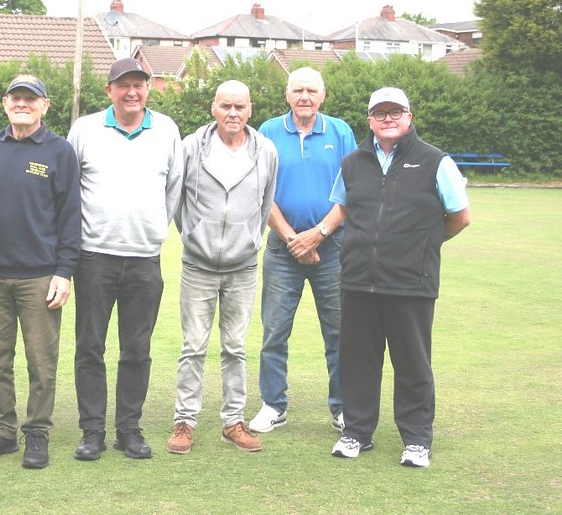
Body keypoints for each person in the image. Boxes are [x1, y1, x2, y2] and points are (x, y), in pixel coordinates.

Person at [330, 87, 470, 468]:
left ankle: (417, 439)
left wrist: (423, 245)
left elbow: (460, 216)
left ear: (409, 117)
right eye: (380, 113)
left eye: (396, 112)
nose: (388, 119)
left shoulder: (435, 161)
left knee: (412, 362)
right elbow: (344, 208)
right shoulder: (352, 163)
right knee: (358, 360)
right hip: (358, 279)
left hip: (411, 282)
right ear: (370, 120)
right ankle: (357, 432)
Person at [0, 75, 81, 469]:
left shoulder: (59, 152)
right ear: (5, 103)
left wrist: (65, 271)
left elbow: (70, 218)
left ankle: (37, 433)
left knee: (41, 361)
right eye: (16, 98)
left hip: (40, 276)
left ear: (45, 105)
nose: (22, 104)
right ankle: (2, 431)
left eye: (31, 98)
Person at [68, 58, 183, 461]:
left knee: (137, 349)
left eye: (139, 84)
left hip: (144, 259)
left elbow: (174, 188)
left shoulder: (167, 130)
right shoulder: (84, 129)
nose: (132, 92)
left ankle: (128, 430)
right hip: (93, 257)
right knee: (90, 347)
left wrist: (152, 231)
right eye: (123, 85)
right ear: (109, 91)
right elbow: (69, 189)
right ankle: (92, 431)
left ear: (148, 88)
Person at [166, 81, 278, 454]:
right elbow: (177, 199)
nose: (233, 113)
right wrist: (195, 236)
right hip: (197, 265)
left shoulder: (267, 152)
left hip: (243, 267)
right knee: (193, 346)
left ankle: (233, 422)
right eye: (226, 106)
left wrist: (249, 240)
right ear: (214, 108)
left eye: (240, 107)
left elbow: (265, 205)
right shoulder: (190, 148)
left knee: (235, 347)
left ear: (250, 110)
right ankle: (185, 422)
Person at [249, 67, 358, 435]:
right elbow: (262, 190)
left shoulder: (340, 132)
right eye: (298, 90)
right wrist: (294, 239)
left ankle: (344, 408)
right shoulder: (267, 132)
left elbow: (353, 190)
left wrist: (318, 234)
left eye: (312, 90)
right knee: (274, 331)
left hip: (334, 248)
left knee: (340, 332)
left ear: (323, 95)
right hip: (282, 248)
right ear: (287, 94)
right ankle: (273, 405)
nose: (305, 97)